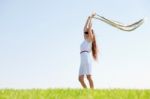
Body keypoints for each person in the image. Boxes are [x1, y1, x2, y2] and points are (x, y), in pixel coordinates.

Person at [78, 13, 98, 89]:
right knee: (80, 79)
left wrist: (91, 18)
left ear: (90, 34)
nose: (85, 33)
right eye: (85, 33)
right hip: (82, 58)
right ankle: (87, 92)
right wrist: (88, 18)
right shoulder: (85, 40)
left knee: (89, 77)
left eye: (87, 33)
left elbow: (89, 28)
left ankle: (92, 93)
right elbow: (85, 28)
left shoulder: (90, 39)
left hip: (86, 58)